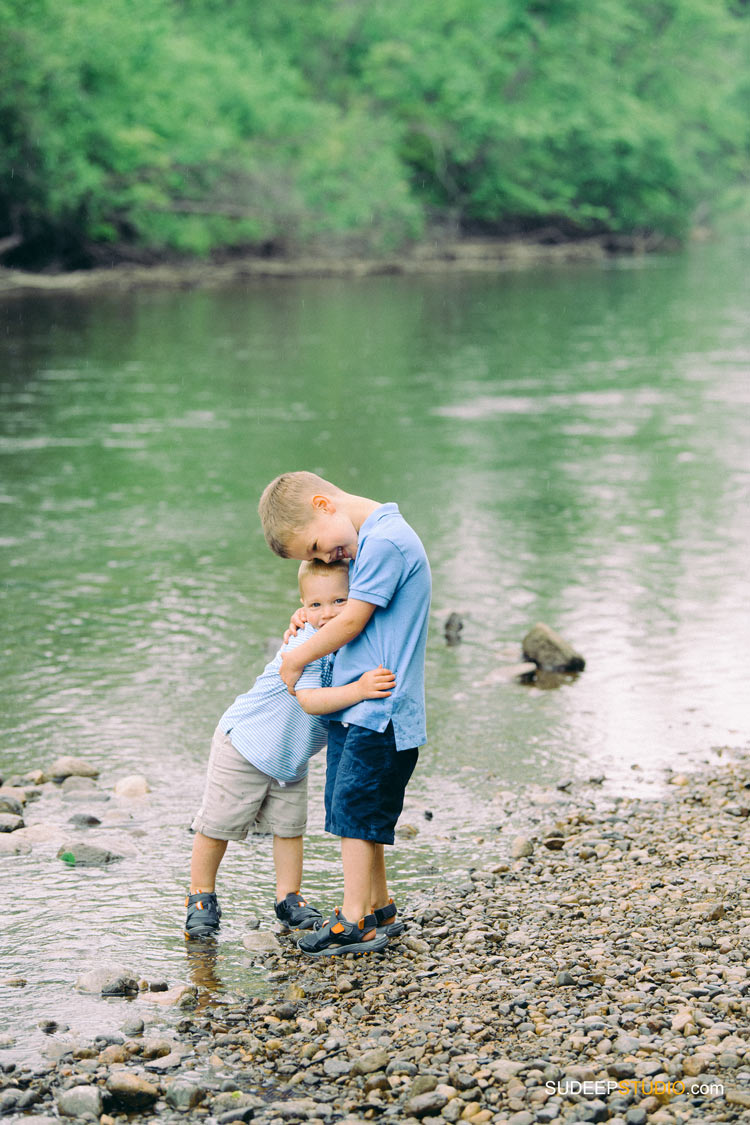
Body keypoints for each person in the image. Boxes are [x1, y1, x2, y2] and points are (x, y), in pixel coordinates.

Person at [258, 471, 431, 957]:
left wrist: (296, 657)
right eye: (313, 559)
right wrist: (310, 614)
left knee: (355, 815)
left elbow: (353, 618)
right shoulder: (367, 541)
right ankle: (377, 906)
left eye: (315, 546)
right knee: (355, 811)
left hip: (381, 710)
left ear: (324, 504)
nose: (324, 559)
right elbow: (341, 608)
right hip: (361, 710)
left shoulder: (385, 542)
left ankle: (355, 919)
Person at [185, 558, 396, 941]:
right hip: (246, 744)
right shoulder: (306, 644)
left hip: (290, 758)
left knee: (289, 829)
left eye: (340, 601)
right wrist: (360, 690)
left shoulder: (345, 641)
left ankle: (289, 898)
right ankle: (201, 895)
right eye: (314, 605)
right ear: (302, 605)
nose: (327, 614)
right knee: (218, 825)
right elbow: (310, 700)